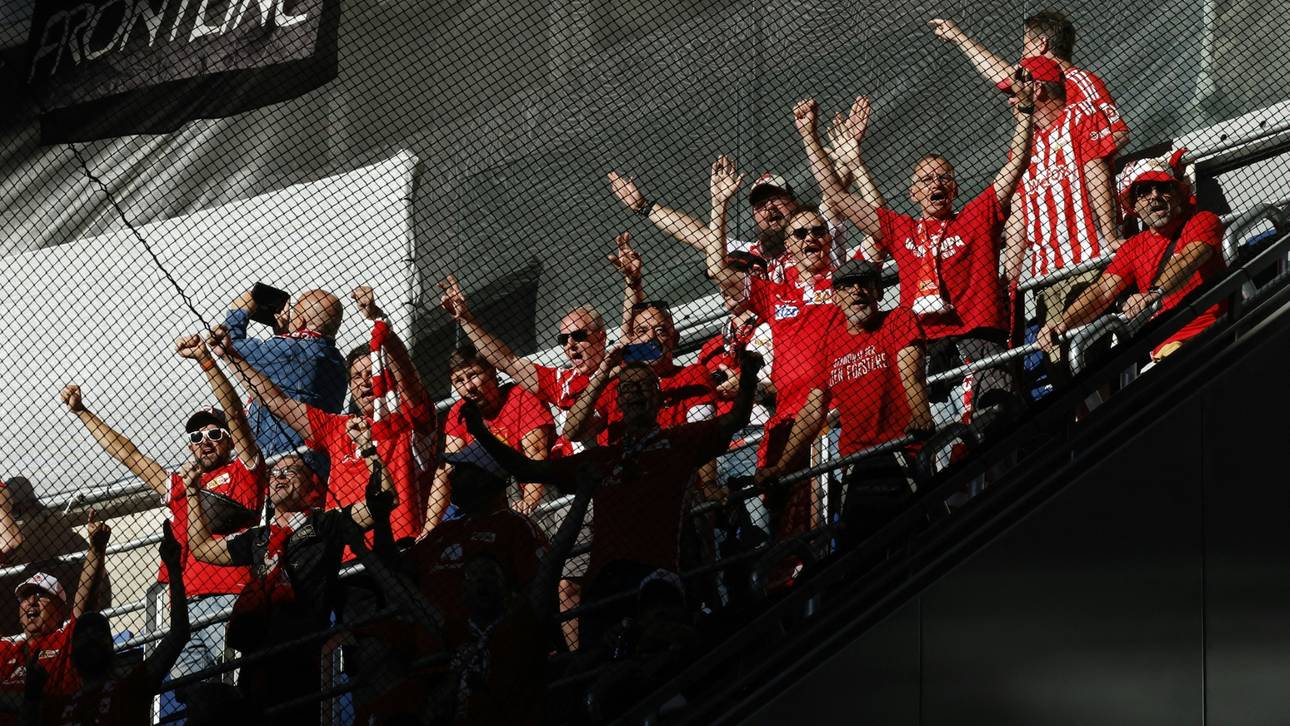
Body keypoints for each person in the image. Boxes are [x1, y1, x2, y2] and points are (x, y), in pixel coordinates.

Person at [465, 349, 763, 644]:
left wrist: (748, 380)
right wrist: (480, 432)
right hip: (603, 582)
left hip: (656, 576)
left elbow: (735, 420)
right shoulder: (604, 458)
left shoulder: (679, 442)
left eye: (642, 387)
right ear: (618, 401)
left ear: (658, 399)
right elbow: (528, 469)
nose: (633, 393)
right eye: (626, 388)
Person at [803, 83, 1036, 426]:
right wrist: (810, 136)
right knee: (937, 438)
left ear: (955, 188)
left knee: (994, 426)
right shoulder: (902, 230)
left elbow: (1016, 164)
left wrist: (1025, 116)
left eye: (943, 178)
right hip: (926, 348)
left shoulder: (976, 216)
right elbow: (836, 198)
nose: (935, 184)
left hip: (980, 338)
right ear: (913, 193)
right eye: (926, 180)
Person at [61, 330, 268, 687]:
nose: (205, 441)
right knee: (188, 697)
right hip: (177, 605)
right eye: (196, 437)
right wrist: (83, 412)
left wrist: (207, 362)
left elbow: (235, 413)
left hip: (229, 595)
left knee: (229, 688)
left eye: (215, 434)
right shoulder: (179, 483)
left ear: (230, 439)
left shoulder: (244, 470)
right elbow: (129, 454)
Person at [187, 444, 397, 719]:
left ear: (313, 487)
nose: (279, 477)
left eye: (291, 471)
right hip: (258, 652)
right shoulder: (259, 537)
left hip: (300, 650)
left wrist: (369, 452)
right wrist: (191, 491)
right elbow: (201, 547)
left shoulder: (327, 523)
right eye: (274, 473)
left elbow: (386, 501)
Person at [214, 286, 434, 547]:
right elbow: (278, 398)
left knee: (273, 542)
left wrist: (251, 298)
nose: (364, 383)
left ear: (303, 319)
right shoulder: (334, 364)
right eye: (356, 377)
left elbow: (230, 339)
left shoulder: (403, 424)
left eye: (370, 374)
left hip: (392, 545)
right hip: (322, 497)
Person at [761, 259, 934, 548]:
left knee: (914, 542)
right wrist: (781, 466)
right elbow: (812, 409)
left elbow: (910, 374)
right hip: (854, 464)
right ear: (836, 297)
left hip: (901, 452)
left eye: (864, 283)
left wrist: (920, 415)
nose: (856, 291)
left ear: (878, 291)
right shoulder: (831, 342)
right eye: (846, 286)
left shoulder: (899, 319)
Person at [707, 201, 840, 537]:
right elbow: (717, 270)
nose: (810, 237)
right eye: (800, 233)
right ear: (790, 247)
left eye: (818, 230)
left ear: (828, 239)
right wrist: (720, 205)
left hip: (838, 415)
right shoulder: (775, 295)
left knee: (832, 513)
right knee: (782, 522)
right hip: (785, 426)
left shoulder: (845, 284)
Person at [1038, 154, 1227, 362]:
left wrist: (1153, 293)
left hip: (1212, 332)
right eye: (1144, 191)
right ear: (1135, 206)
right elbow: (1102, 291)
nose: (1154, 195)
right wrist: (1064, 323)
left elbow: (1189, 259)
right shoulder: (1133, 246)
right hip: (1165, 348)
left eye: (1162, 187)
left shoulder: (1202, 221)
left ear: (1178, 195)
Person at [22, 522, 190, 726]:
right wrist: (31, 697)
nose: (91, 638)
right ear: (73, 653)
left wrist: (174, 570)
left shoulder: (130, 688)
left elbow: (179, 634)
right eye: (84, 635)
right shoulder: (58, 706)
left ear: (111, 646)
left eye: (98, 634)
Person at [997, 56, 1122, 320]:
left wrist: (1109, 236)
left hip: (1090, 260)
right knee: (1055, 357)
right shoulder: (1022, 147)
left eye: (1014, 92)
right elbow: (1018, 216)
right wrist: (1011, 280)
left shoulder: (1080, 116)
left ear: (1037, 89)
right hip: (1046, 275)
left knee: (1087, 348)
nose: (1009, 100)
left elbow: (1095, 172)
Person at [609, 155, 847, 284]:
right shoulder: (751, 254)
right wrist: (644, 206)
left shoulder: (819, 234)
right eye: (761, 205)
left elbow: (835, 194)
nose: (770, 207)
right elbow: (698, 234)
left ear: (794, 203)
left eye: (776, 198)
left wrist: (846, 158)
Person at [928, 10, 1129, 150]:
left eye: (1025, 46)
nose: (1022, 54)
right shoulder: (1030, 81)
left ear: (1041, 44)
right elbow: (1000, 73)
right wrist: (958, 37)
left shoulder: (1083, 81)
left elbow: (1119, 134)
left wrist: (1079, 159)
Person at [426, 344, 555, 530]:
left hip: (538, 483)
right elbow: (447, 469)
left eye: (473, 375)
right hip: (490, 495)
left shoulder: (521, 396)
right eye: (459, 381)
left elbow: (536, 454)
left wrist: (528, 501)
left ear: (492, 372)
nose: (468, 387)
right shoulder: (459, 411)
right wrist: (429, 530)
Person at [0, 512, 110, 722]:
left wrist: (95, 550)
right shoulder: (6, 649)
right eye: (25, 596)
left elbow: (84, 600)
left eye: (41, 595)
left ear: (60, 610)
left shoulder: (67, 639)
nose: (31, 602)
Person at [562, 299, 716, 446]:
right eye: (642, 331)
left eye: (660, 331)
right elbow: (572, 433)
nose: (650, 338)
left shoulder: (692, 375)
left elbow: (701, 438)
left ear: (674, 339)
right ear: (632, 340)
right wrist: (601, 377)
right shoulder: (614, 384)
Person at [224, 288, 348, 456]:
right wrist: (285, 335)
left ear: (301, 320)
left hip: (275, 458)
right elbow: (298, 375)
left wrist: (241, 309)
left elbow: (229, 345)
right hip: (314, 457)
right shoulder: (340, 364)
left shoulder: (285, 351)